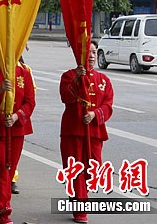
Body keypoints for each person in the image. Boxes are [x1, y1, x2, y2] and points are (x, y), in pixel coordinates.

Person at [0, 58, 36, 224]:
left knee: (9, 170)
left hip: (16, 130)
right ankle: (4, 209)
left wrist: (16, 116)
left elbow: (30, 102)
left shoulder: (25, 72)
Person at [59, 41, 114, 224]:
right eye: (88, 52)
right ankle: (80, 209)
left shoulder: (104, 80)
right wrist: (77, 80)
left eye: (94, 52)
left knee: (93, 170)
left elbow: (108, 105)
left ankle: (77, 198)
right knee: (76, 170)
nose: (91, 56)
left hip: (95, 132)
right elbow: (66, 97)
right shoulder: (68, 76)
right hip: (72, 132)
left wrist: (94, 114)